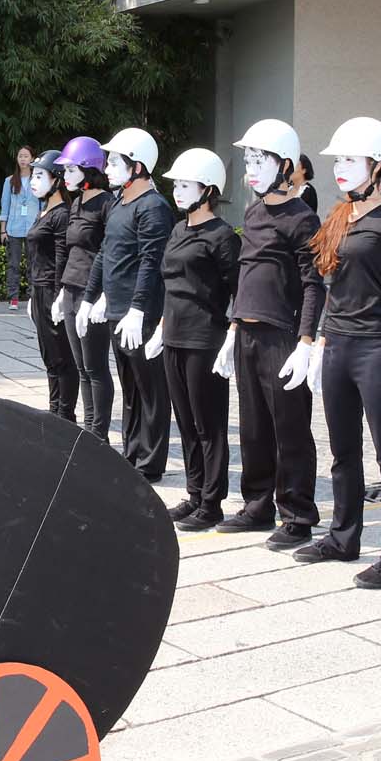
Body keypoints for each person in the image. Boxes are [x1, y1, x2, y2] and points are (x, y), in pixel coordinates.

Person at [297, 118, 381, 585]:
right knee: (343, 449)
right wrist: (318, 340)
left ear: (378, 165)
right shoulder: (339, 215)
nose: (341, 168)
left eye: (351, 160)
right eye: (338, 160)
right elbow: (331, 284)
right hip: (338, 344)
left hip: (377, 346)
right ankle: (343, 536)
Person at [215, 120, 323, 549]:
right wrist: (233, 327)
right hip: (247, 330)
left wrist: (306, 341)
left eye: (260, 161)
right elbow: (246, 273)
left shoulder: (303, 218)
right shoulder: (254, 212)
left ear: (285, 166)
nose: (252, 170)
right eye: (249, 161)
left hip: (282, 335)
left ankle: (297, 515)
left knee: (290, 427)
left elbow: (314, 283)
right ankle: (257, 504)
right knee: (254, 425)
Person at [150, 148, 238, 529]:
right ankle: (194, 493)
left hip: (205, 340)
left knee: (208, 424)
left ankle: (212, 501)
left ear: (209, 190)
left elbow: (238, 290)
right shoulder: (178, 229)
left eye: (186, 185)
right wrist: (161, 327)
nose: (178, 192)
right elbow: (171, 283)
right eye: (176, 185)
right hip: (174, 336)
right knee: (185, 422)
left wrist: (232, 336)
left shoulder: (222, 237)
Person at [84, 128, 173, 481]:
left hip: (141, 314)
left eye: (114, 162)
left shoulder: (153, 207)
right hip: (118, 311)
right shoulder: (120, 202)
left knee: (151, 390)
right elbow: (106, 253)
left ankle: (150, 462)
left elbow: (152, 261)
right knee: (131, 389)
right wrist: (93, 296)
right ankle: (132, 453)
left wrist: (138, 308)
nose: (106, 168)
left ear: (137, 166)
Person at [53, 136, 114, 441]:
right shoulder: (76, 202)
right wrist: (62, 292)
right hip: (72, 290)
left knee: (95, 367)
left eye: (70, 169)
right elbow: (71, 250)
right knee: (81, 367)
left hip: (93, 293)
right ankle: (89, 435)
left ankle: (98, 435)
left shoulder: (107, 204)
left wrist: (103, 295)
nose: (65, 176)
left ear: (89, 169)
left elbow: (109, 252)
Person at [24, 151, 77, 423]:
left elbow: (61, 259)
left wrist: (59, 296)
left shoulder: (61, 215)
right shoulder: (43, 212)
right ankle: (54, 410)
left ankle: (65, 415)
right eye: (33, 176)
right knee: (49, 357)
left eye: (39, 175)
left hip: (52, 292)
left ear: (56, 180)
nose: (33, 181)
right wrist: (31, 296)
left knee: (61, 357)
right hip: (39, 290)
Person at [0, 147, 39, 310]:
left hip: (33, 227)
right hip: (14, 228)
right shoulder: (10, 181)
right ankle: (13, 298)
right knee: (13, 264)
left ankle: (32, 297)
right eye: (20, 156)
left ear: (32, 159)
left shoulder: (38, 179)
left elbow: (43, 204)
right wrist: (3, 230)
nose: (23, 159)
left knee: (33, 264)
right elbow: (5, 206)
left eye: (26, 156)